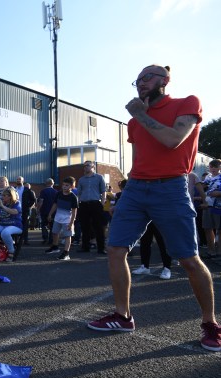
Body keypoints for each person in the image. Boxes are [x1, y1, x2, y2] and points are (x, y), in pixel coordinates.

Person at [87, 64, 220, 352]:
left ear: (165, 79)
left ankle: (211, 324)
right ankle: (123, 316)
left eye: (148, 77)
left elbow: (173, 140)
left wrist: (140, 114)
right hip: (136, 189)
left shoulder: (187, 103)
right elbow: (139, 158)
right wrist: (127, 190)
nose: (141, 83)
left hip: (171, 187)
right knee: (115, 249)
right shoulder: (134, 123)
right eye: (137, 80)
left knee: (188, 259)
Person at [77, 161, 107, 255]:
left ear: (93, 166)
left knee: (98, 227)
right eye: (84, 166)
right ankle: (85, 247)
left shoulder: (99, 177)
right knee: (85, 227)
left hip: (96, 204)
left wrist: (102, 203)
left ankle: (101, 248)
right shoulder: (81, 179)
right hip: (84, 205)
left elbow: (103, 191)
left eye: (87, 165)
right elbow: (79, 193)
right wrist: (78, 204)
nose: (85, 167)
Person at [45, 177, 78, 261]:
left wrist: (71, 223)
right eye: (63, 185)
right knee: (54, 232)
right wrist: (50, 214)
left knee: (67, 236)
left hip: (67, 220)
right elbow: (55, 204)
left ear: (72, 186)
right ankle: (55, 247)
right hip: (57, 218)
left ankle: (66, 253)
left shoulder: (73, 197)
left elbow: (74, 212)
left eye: (67, 185)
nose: (64, 187)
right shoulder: (58, 194)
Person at [0, 187, 23, 262]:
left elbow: (15, 212)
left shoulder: (16, 203)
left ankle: (11, 251)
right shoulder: (2, 203)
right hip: (2, 224)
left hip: (15, 225)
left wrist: (3, 207)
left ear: (10, 196)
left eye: (4, 195)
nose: (2, 197)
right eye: (2, 195)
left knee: (5, 233)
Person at [196, 159, 221, 258]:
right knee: (207, 228)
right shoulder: (208, 177)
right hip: (208, 206)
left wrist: (219, 193)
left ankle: (219, 251)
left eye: (216, 166)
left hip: (219, 207)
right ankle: (211, 251)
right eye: (211, 166)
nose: (213, 168)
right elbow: (201, 185)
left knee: (219, 230)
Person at [14, 176, 37, 245]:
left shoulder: (27, 189)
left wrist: (28, 206)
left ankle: (25, 240)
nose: (18, 180)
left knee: (25, 225)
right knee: (15, 225)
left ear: (23, 181)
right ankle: (16, 240)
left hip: (24, 211)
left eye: (20, 179)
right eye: (17, 179)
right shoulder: (14, 189)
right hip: (15, 210)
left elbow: (33, 199)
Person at [36, 178, 58, 244]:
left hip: (44, 211)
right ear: (52, 183)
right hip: (53, 211)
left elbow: (41, 201)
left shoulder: (43, 191)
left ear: (46, 183)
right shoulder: (56, 192)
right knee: (52, 226)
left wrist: (38, 209)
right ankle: (51, 239)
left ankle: (45, 238)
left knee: (44, 225)